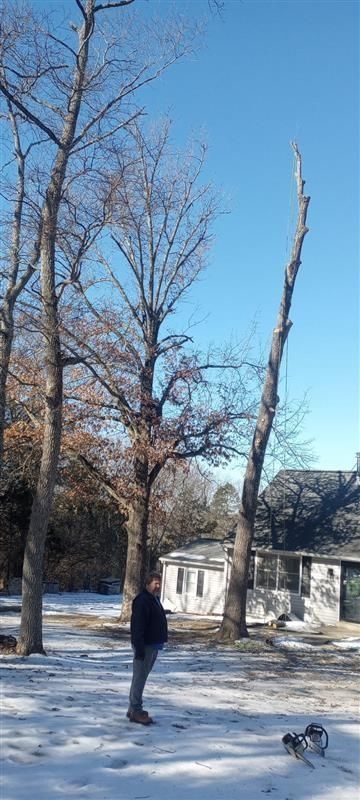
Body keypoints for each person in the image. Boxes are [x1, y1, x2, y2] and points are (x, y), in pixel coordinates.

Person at [127, 571, 168, 725]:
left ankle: (133, 708)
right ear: (147, 584)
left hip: (153, 644)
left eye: (159, 583)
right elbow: (137, 627)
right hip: (145, 645)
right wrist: (139, 648)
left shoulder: (153, 599)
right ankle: (136, 710)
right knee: (140, 678)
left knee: (140, 677)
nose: (158, 586)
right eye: (155, 583)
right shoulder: (142, 600)